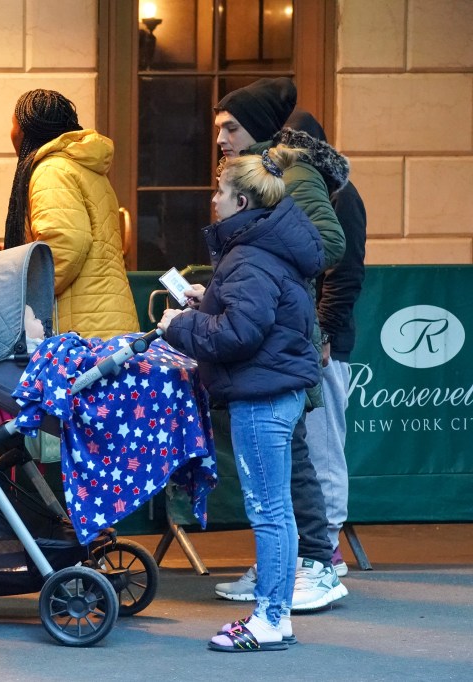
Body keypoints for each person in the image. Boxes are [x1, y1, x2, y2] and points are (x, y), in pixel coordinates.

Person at [158, 144, 324, 652]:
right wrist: (205, 301)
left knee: (270, 511)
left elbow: (238, 335)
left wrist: (180, 323)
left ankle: (270, 619)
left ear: (244, 203)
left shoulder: (248, 255)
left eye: (221, 192)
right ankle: (276, 616)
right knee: (278, 511)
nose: (213, 200)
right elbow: (251, 317)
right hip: (278, 389)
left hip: (262, 395)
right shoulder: (266, 247)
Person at [211, 77, 350, 610]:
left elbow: (330, 242)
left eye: (231, 127)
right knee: (279, 455)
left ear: (260, 129)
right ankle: (285, 564)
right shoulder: (257, 171)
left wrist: (263, 253)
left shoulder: (290, 169)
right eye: (219, 127)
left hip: (284, 333)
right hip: (273, 328)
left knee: (290, 453)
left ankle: (315, 563)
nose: (221, 137)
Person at [285, 110, 368, 575]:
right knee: (306, 445)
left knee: (322, 445)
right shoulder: (310, 189)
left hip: (324, 340)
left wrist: (326, 332)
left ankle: (327, 550)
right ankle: (310, 550)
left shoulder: (340, 195)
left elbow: (346, 271)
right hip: (304, 336)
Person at [3, 88, 139, 339]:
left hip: (84, 327)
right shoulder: (81, 166)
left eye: (12, 125)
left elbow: (66, 244)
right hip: (104, 315)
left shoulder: (51, 170)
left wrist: (26, 287)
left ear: (24, 130)